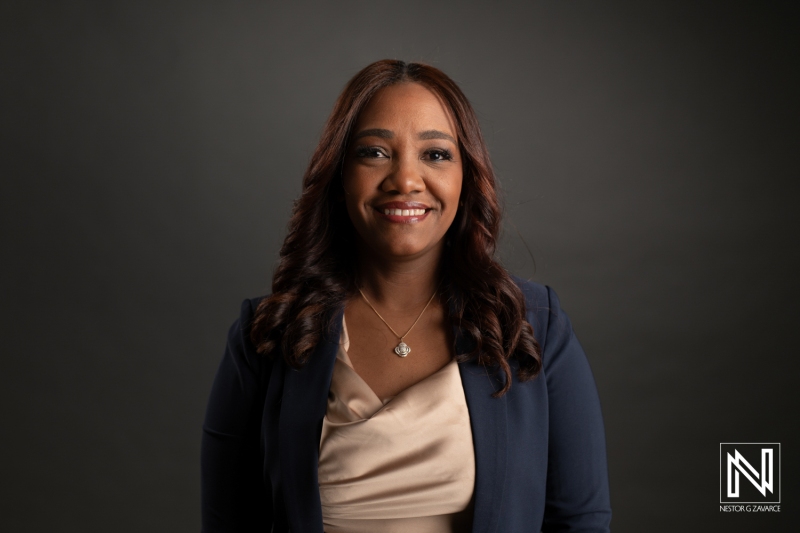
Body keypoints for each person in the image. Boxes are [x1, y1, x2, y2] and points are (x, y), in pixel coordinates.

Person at [201, 59, 611, 533]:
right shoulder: (266, 338)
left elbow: (579, 522)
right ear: (338, 177)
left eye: (435, 154)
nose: (405, 180)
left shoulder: (533, 325)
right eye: (374, 152)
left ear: (467, 177)